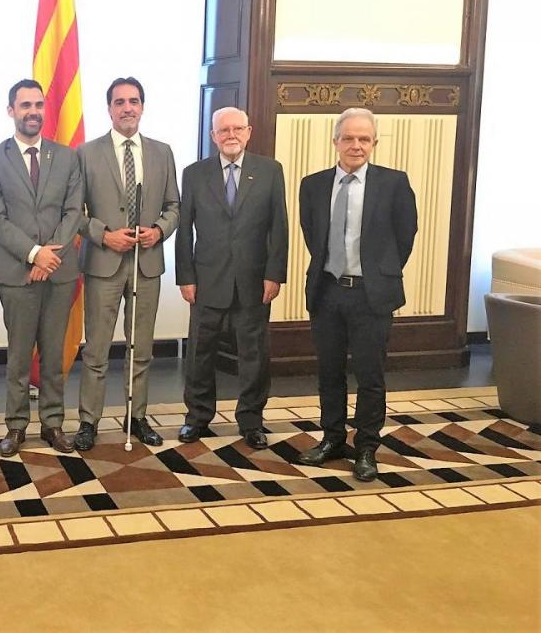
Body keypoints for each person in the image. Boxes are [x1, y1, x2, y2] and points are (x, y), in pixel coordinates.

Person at [297, 108, 417, 481]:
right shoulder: (313, 184)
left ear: (374, 143)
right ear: (335, 142)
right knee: (329, 372)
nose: (356, 145)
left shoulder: (394, 183)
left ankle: (366, 447)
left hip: (371, 295)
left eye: (364, 139)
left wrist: (380, 272)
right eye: (348, 138)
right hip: (328, 292)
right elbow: (311, 233)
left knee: (370, 375)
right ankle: (332, 439)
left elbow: (405, 236)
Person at [74, 77, 180, 450]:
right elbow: (76, 212)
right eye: (119, 102)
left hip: (147, 264)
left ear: (143, 106)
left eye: (134, 101)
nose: (127, 108)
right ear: (109, 109)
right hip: (104, 264)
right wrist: (104, 235)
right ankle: (89, 421)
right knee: (97, 351)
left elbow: (174, 207)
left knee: (141, 348)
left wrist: (159, 230)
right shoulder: (86, 153)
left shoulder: (162, 152)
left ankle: (136, 416)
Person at [0, 79, 83, 457]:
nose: (33, 112)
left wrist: (49, 256)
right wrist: (34, 254)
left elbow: (75, 210)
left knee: (54, 353)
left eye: (38, 105)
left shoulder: (67, 156)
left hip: (60, 272)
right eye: (25, 105)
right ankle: (16, 426)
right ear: (11, 111)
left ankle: (53, 423)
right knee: (19, 355)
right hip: (17, 272)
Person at [175, 107, 288, 448]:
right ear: (213, 136)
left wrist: (275, 274)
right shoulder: (194, 174)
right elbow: (184, 231)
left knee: (254, 354)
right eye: (223, 130)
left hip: (254, 281)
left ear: (249, 132)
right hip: (207, 279)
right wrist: (185, 277)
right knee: (200, 353)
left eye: (237, 128)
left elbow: (278, 228)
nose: (231, 135)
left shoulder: (270, 171)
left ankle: (252, 420)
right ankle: (197, 418)